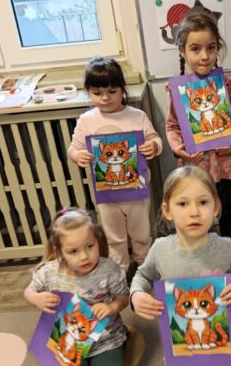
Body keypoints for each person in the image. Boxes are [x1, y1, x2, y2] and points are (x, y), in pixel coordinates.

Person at [130, 165, 231, 366]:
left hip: (222, 341)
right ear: (167, 210)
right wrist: (137, 295)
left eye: (203, 202)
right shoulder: (160, 249)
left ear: (216, 207)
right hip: (181, 344)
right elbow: (142, 275)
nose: (194, 212)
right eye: (182, 204)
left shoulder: (226, 247)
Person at [24, 208, 129, 366]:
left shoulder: (109, 269)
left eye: (90, 246)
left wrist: (112, 307)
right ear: (59, 250)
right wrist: (36, 298)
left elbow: (124, 298)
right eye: (73, 251)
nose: (84, 257)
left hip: (106, 340)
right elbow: (28, 291)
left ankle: (119, 347)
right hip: (69, 343)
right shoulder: (49, 272)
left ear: (97, 240)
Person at [68, 56, 162, 271]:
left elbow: (155, 139)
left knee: (141, 233)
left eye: (112, 91)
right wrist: (78, 155)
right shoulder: (86, 120)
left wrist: (153, 146)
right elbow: (73, 148)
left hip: (137, 192)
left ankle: (145, 267)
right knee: (114, 237)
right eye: (97, 93)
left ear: (122, 89)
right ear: (88, 92)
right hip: (106, 194)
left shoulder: (137, 116)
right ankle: (119, 271)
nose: (105, 98)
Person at [166, 12, 231, 242]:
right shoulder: (177, 91)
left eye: (211, 48)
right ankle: (200, 253)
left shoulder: (228, 87)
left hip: (223, 165)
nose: (204, 56)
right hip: (194, 165)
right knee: (195, 213)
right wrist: (178, 148)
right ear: (182, 51)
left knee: (226, 208)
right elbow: (172, 125)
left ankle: (230, 251)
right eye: (195, 49)